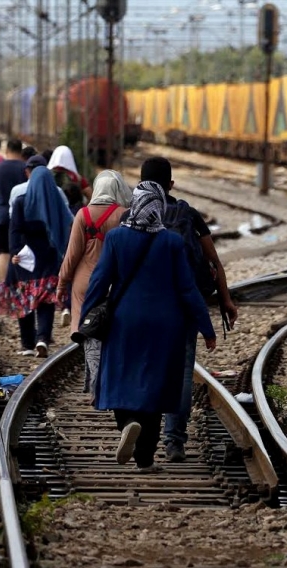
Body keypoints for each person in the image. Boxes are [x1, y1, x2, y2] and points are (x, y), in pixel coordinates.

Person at [82, 181, 217, 472]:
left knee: (119, 377)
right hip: (165, 326)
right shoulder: (171, 241)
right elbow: (187, 288)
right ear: (157, 207)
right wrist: (206, 328)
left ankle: (127, 423)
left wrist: (86, 318)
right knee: (155, 388)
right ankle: (145, 460)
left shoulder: (116, 238)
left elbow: (99, 280)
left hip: (123, 322)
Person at [136, 157, 239, 463]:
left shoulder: (134, 215)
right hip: (182, 306)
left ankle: (145, 439)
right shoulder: (188, 213)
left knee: (148, 371)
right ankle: (174, 441)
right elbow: (213, 261)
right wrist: (225, 300)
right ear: (170, 184)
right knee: (181, 374)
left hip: (146, 307)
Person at [58, 170, 133, 398]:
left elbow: (72, 255)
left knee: (90, 332)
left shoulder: (83, 215)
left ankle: (95, 385)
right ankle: (113, 382)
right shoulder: (125, 214)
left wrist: (62, 281)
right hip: (115, 282)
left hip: (85, 284)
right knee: (113, 332)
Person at [0, 166, 73, 357]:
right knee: (46, 302)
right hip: (49, 259)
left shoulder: (21, 202)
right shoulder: (56, 202)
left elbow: (15, 230)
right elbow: (68, 226)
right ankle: (42, 338)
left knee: (23, 298)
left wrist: (15, 252)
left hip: (25, 259)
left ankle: (27, 343)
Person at [0, 139, 27, 281]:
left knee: (3, 253)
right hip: (22, 218)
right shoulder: (26, 169)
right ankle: (21, 286)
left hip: (0, 216)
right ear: (21, 152)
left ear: (7, 151)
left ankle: (4, 287)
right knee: (22, 253)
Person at [46, 145, 91, 215]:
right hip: (72, 215)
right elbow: (91, 196)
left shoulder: (46, 175)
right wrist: (84, 208)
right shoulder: (77, 178)